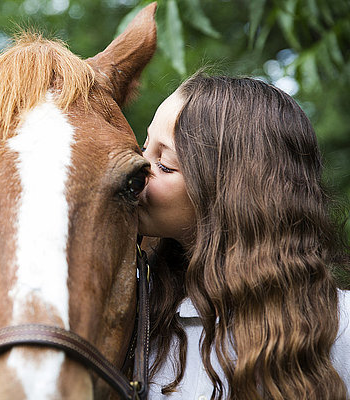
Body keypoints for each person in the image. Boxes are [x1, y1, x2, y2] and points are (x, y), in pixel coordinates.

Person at [137, 74, 350, 400]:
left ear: (232, 192)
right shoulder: (135, 311)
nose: (137, 166)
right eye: (143, 146)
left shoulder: (341, 329)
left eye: (164, 164)